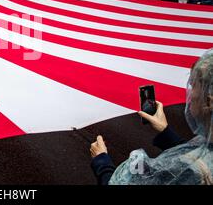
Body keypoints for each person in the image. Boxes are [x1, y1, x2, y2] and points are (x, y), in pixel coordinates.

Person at [90, 49, 213, 185]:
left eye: (193, 85)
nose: (190, 92)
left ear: (208, 101)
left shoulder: (191, 173)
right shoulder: (207, 144)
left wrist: (101, 161)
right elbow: (195, 153)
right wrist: (165, 132)